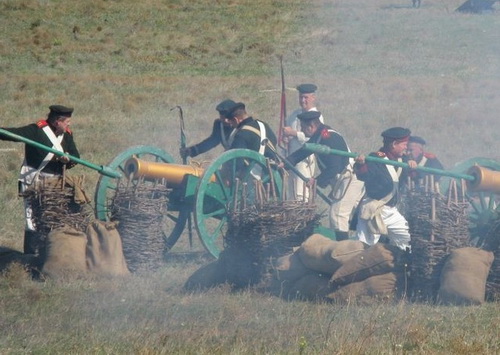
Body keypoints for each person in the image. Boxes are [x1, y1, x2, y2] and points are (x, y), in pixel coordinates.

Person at [0, 105, 80, 255]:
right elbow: (11, 134)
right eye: (67, 121)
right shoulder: (36, 131)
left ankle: (47, 255)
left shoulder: (67, 135)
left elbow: (76, 157)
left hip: (54, 185)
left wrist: (66, 160)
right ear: (57, 121)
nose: (69, 124)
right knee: (32, 221)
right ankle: (30, 257)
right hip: (33, 182)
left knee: (52, 220)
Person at [285, 111, 365, 241]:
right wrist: (285, 163)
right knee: (361, 213)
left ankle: (343, 249)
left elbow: (335, 167)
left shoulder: (328, 137)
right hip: (343, 179)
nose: (302, 131)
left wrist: (316, 181)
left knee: (338, 214)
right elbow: (305, 150)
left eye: (303, 128)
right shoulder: (319, 135)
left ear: (311, 126)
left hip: (349, 177)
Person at [354, 127, 416, 251]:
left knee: (407, 239)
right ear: (394, 144)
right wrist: (361, 164)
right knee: (364, 247)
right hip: (374, 209)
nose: (406, 147)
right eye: (404, 144)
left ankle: (402, 265)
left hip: (391, 210)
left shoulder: (403, 160)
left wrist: (412, 167)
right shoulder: (375, 158)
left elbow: (412, 178)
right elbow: (364, 175)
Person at [282, 83, 324, 202]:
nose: (303, 100)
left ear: (313, 98)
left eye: (306, 97)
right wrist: (286, 138)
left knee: (301, 193)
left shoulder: (317, 117)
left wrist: (294, 134)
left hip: (305, 160)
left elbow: (314, 141)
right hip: (292, 158)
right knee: (292, 192)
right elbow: (288, 134)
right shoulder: (295, 114)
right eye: (301, 97)